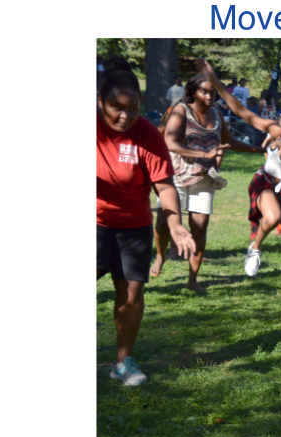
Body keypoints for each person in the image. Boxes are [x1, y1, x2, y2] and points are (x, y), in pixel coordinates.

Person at [195, 59, 281, 318]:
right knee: (273, 216)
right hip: (265, 181)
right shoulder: (279, 130)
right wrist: (215, 80)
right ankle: (255, 248)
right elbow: (244, 112)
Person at [97, 59, 196, 386]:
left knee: (131, 293)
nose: (125, 116)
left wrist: (175, 224)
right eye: (117, 108)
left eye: (133, 109)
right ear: (100, 101)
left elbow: (164, 186)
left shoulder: (148, 135)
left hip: (133, 227)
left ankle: (122, 363)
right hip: (93, 224)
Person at [151, 74, 265, 290]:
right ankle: (160, 255)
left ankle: (192, 279)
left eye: (212, 92)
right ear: (193, 92)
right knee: (164, 223)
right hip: (175, 175)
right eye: (204, 91)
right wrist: (204, 154)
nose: (209, 96)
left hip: (203, 176)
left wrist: (262, 149)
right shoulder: (181, 110)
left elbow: (230, 142)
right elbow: (170, 141)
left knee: (200, 226)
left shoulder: (217, 114)